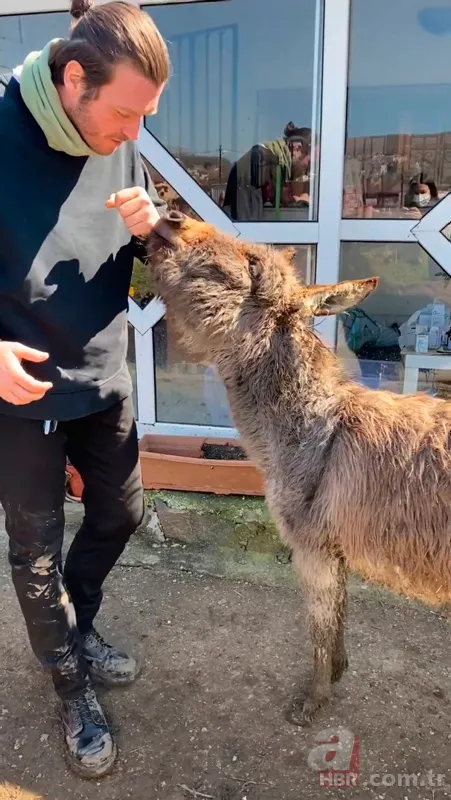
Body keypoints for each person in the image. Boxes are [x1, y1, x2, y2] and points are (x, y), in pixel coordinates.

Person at [0, 0, 169, 779]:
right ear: (73, 79)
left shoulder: (119, 135)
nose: (133, 134)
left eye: (145, 117)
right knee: (35, 556)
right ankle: (70, 686)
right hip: (22, 390)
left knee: (119, 512)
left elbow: (151, 258)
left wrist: (151, 230)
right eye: (125, 114)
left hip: (104, 368)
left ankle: (76, 628)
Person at [222, 122, 312, 220]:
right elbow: (247, 220)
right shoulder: (259, 162)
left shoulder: (273, 163)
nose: (308, 170)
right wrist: (304, 203)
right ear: (297, 149)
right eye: (309, 163)